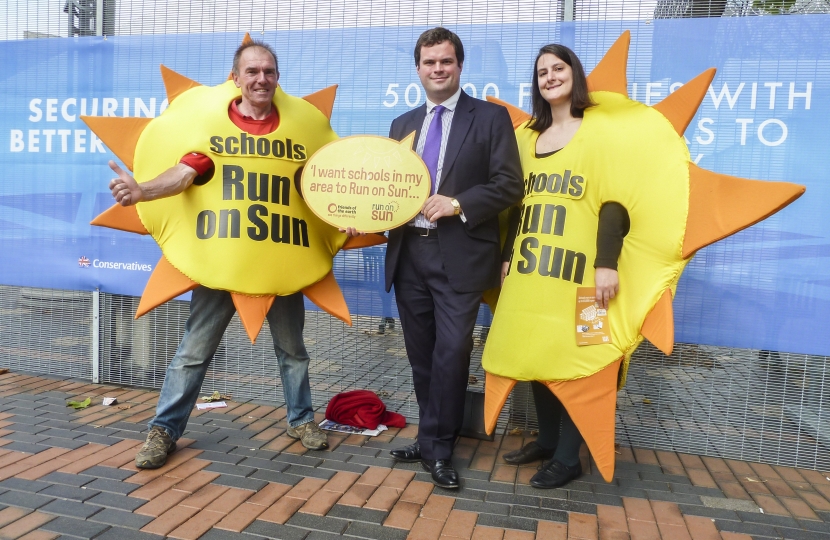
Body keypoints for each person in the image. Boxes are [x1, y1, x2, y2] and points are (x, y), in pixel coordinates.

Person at [108, 41, 328, 469]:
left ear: (277, 78)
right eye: (252, 71)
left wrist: (345, 216)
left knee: (293, 350)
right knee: (193, 352)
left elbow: (323, 188)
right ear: (236, 78)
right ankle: (163, 430)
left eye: (268, 71)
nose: (261, 79)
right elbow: (184, 174)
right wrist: (142, 192)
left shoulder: (300, 136)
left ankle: (301, 420)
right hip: (221, 265)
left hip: (279, 264)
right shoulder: (214, 128)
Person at [384, 27, 524, 488]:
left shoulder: (490, 118)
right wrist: (363, 216)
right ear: (418, 69)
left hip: (459, 257)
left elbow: (508, 185)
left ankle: (440, 450)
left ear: (460, 66)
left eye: (446, 61)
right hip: (409, 255)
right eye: (429, 62)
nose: (437, 69)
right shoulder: (402, 125)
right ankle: (430, 439)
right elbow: (389, 193)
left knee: (452, 353)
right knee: (421, 356)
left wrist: (457, 203)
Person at [499, 44, 629, 489]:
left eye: (559, 68)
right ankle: (549, 439)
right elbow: (514, 205)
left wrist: (606, 264)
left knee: (585, 359)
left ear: (575, 74)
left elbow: (615, 200)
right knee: (540, 350)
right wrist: (504, 257)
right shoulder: (525, 137)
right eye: (542, 72)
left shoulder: (601, 133)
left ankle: (570, 456)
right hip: (533, 271)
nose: (550, 77)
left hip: (586, 275)